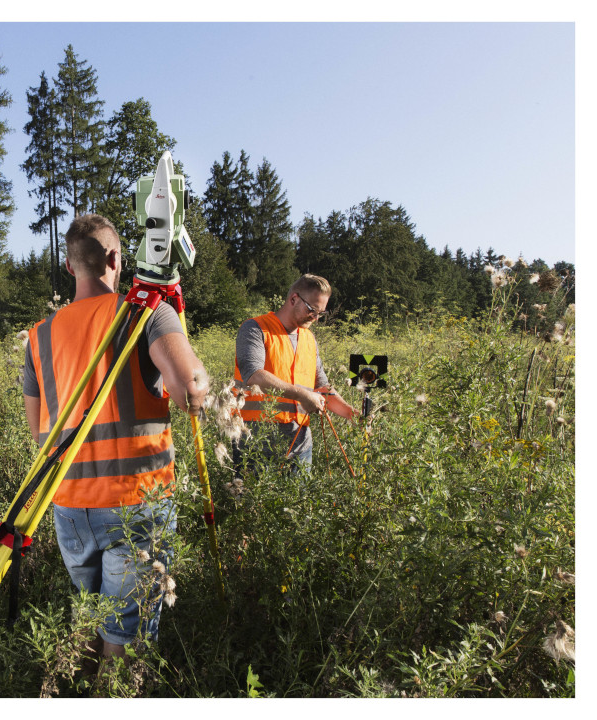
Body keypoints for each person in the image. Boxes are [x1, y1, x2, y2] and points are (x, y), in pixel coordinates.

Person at [22, 213, 207, 668]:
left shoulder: (39, 336)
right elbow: (192, 390)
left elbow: (37, 430)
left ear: (70, 267)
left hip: (68, 505)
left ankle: (79, 687)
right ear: (115, 259)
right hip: (135, 505)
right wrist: (173, 325)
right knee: (126, 639)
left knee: (94, 618)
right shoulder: (144, 313)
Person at [232, 273, 355, 473]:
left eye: (320, 313)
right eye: (312, 310)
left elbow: (322, 387)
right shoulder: (255, 328)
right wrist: (303, 395)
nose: (315, 318)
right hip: (257, 440)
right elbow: (254, 375)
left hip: (300, 442)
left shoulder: (309, 339)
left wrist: (351, 413)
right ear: (293, 299)